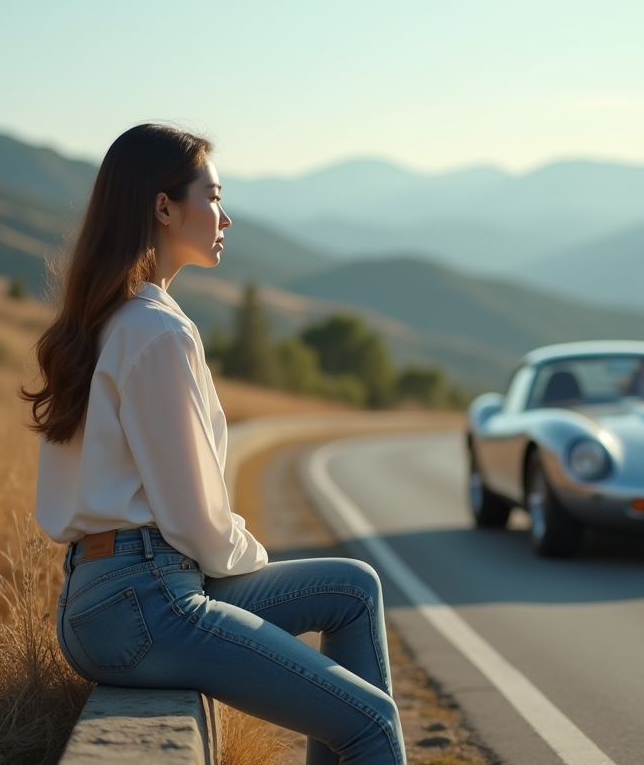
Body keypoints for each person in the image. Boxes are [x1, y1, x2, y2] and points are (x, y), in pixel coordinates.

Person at [22, 124, 405, 765]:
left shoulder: (110, 320)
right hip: (147, 601)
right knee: (372, 721)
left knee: (352, 587)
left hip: (101, 595)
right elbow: (195, 516)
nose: (225, 218)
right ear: (164, 207)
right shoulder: (157, 331)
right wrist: (246, 556)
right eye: (215, 197)